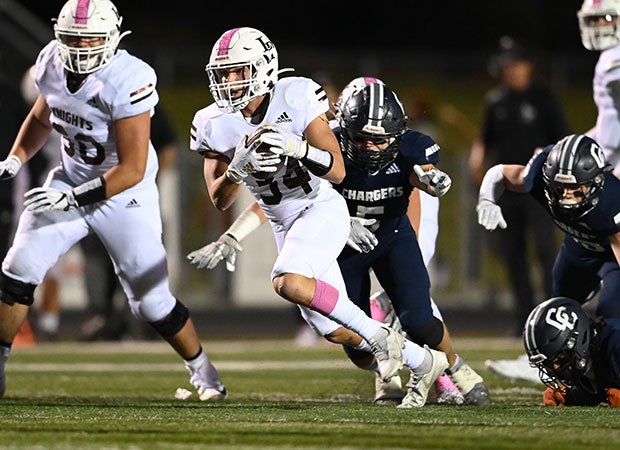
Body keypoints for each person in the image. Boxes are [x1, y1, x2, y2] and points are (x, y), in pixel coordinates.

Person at [188, 26, 449, 407]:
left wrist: (296, 146)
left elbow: (338, 171)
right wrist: (236, 171)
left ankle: (389, 342)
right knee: (333, 330)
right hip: (284, 223)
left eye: (238, 71)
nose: (228, 81)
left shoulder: (295, 95)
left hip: (319, 206)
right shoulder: (211, 122)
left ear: (262, 67)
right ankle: (422, 360)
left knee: (286, 280)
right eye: (223, 73)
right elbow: (220, 200)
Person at [0, 0, 225, 401]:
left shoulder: (127, 78)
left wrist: (74, 197)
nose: (80, 47)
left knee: (152, 304)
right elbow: (41, 115)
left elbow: (133, 168)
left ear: (112, 39)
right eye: (72, 38)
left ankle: (204, 372)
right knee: (17, 269)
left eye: (89, 38)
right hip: (70, 180)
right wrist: (17, 158)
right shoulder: (51, 61)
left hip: (124, 197)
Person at [470, 36, 570, 336]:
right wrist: (478, 162)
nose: (510, 70)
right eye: (507, 65)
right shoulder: (495, 101)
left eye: (516, 64)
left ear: (528, 66)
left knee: (545, 252)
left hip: (540, 191)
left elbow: (563, 142)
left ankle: (557, 319)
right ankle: (526, 323)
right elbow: (484, 141)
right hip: (507, 192)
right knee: (514, 257)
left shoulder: (545, 99)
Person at [523, 296, 620, 407]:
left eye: (560, 359)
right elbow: (600, 391)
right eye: (548, 364)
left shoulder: (616, 346)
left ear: (578, 342)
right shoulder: (593, 355)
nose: (555, 368)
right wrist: (569, 396)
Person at [577, 0, 620, 176]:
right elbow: (609, 121)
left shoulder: (614, 59)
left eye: (607, 18)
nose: (600, 25)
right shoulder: (608, 56)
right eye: (594, 20)